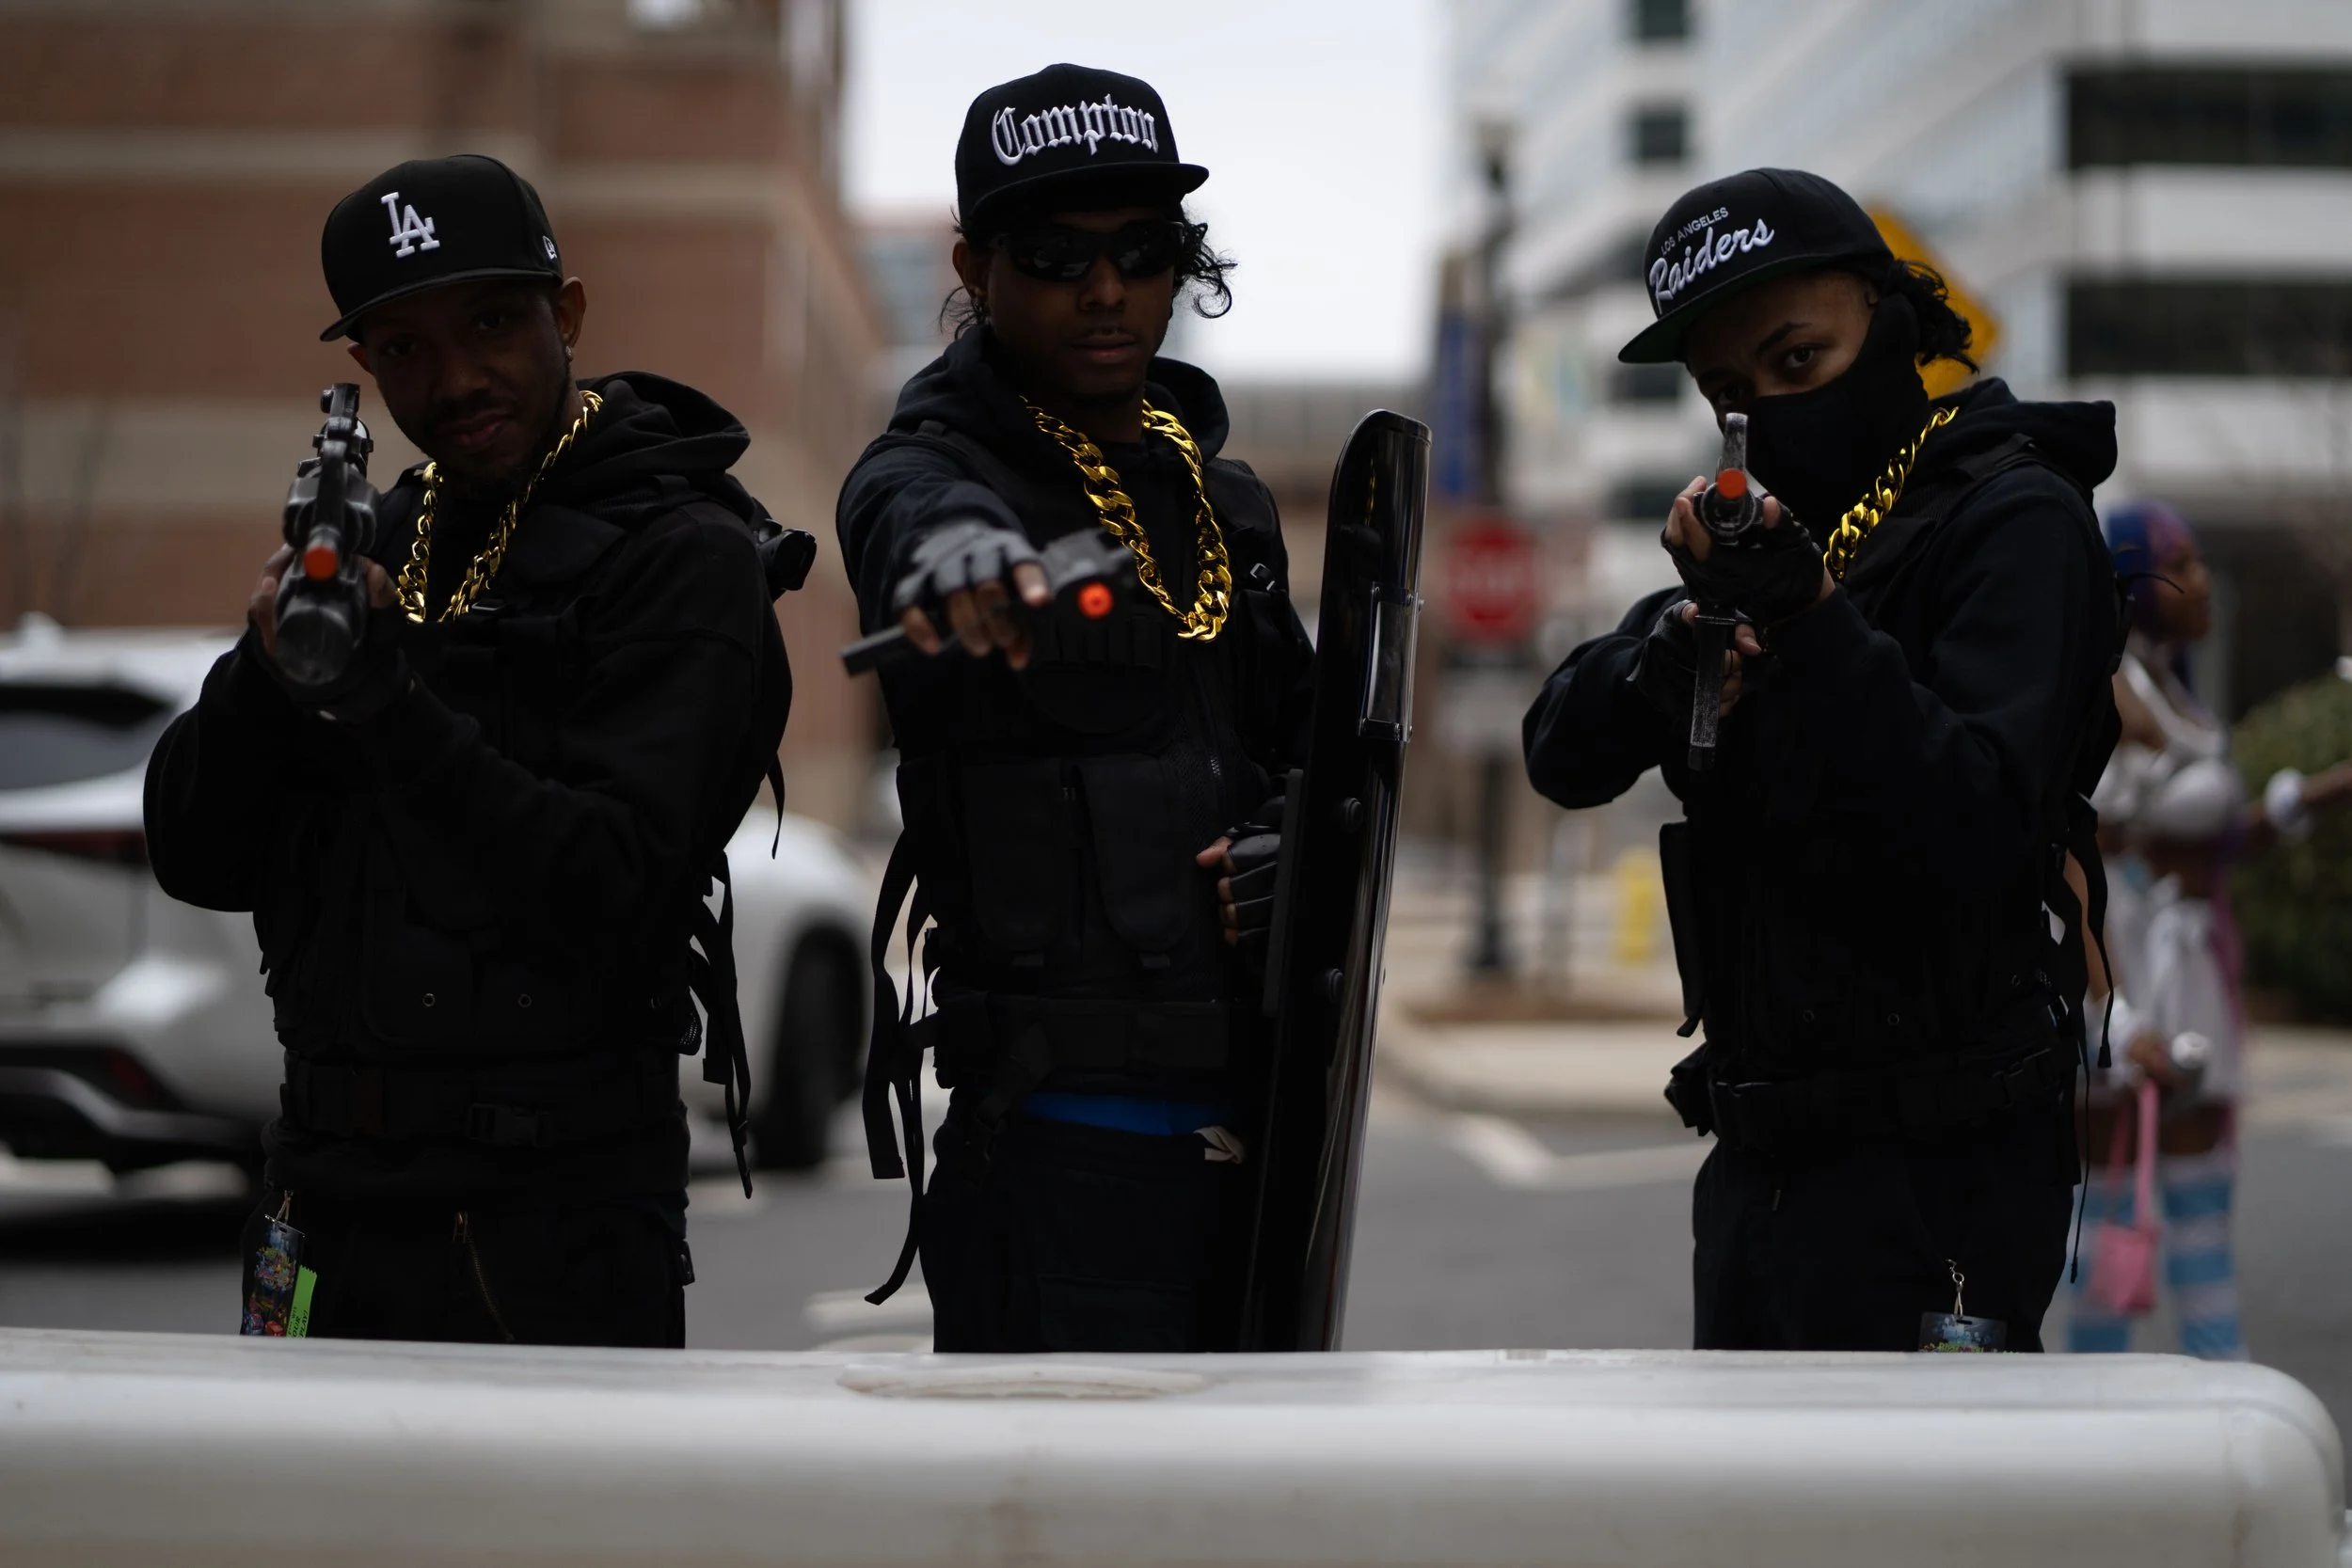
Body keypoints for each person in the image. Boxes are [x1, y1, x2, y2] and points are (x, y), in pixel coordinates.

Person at [145, 153, 794, 1347]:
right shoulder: (381, 535)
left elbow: (612, 879)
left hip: (544, 1219)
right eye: (405, 347)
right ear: (364, 362)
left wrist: (384, 701)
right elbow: (195, 854)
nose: (454, 379)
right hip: (316, 1197)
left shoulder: (677, 554)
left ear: (568, 313)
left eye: (491, 323)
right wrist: (270, 672)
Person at [1522, 167, 2122, 1352]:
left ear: (1889, 322)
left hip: (1939, 1178)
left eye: (1799, 360)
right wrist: (1661, 668)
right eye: (1728, 392)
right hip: (1760, 1172)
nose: (1767, 414)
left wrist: (1810, 619)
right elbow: (1559, 748)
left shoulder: (2012, 518)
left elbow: (1976, 821)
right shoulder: (1778, 544)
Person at [839, 64, 1315, 1353]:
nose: (1106, 289)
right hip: (1059, 1157)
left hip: (1266, 1146)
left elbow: (1311, 757)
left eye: (1143, 250)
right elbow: (914, 521)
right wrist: (964, 563)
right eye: (1056, 256)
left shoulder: (1226, 503)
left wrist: (1292, 849)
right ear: (975, 267)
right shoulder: (926, 467)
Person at [2068, 501, 2352, 1359]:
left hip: (2189, 966)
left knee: (2200, 1210)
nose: (2203, 582)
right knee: (2108, 1219)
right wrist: (2117, 1015)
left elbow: (2215, 839)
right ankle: (2086, 1416)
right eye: (2182, 563)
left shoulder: (2170, 689)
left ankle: (2222, 1400)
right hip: (2125, 965)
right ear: (2134, 578)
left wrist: (2324, 790)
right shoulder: (2105, 686)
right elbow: (2074, 857)